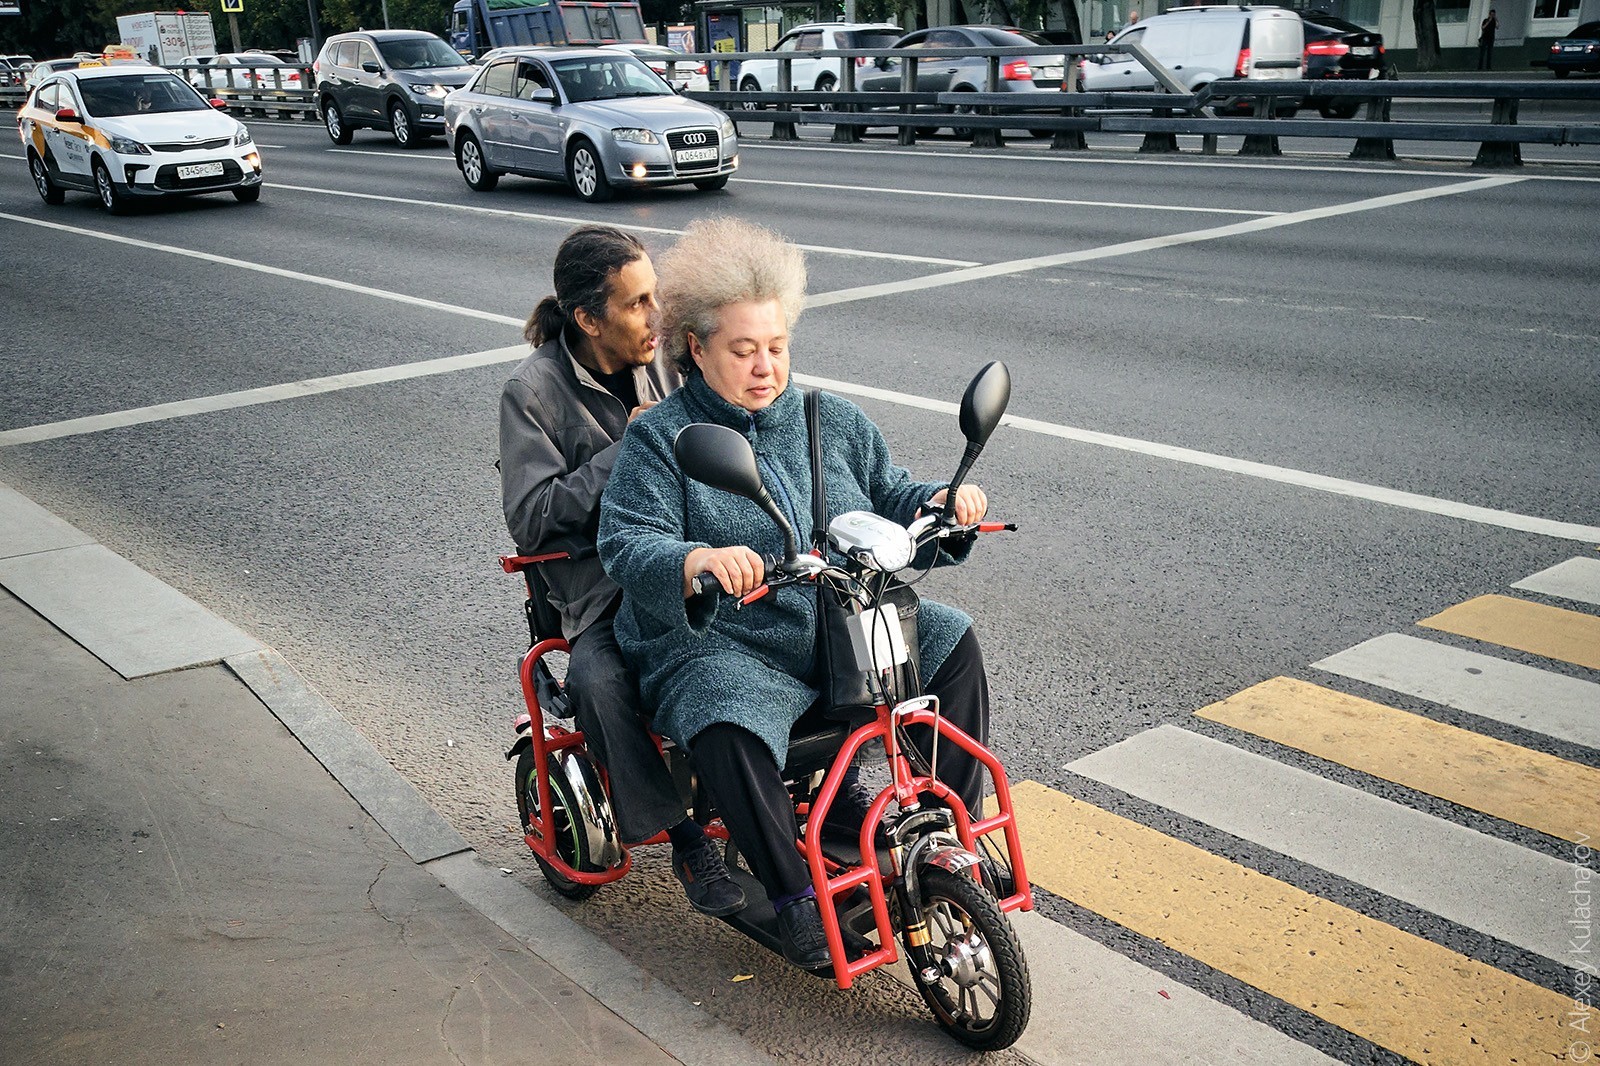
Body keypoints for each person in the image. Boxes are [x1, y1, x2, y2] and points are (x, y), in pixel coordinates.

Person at [597, 217, 994, 970]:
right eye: (743, 351)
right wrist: (697, 559)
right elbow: (626, 542)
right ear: (697, 347)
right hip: (727, 642)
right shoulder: (663, 438)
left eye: (776, 348)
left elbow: (891, 492)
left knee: (952, 638)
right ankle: (791, 897)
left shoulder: (828, 417)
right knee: (722, 710)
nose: (764, 367)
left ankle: (952, 838)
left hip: (837, 631)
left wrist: (943, 502)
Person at [499, 224, 744, 918]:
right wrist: (628, 447)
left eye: (656, 296)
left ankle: (811, 789)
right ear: (587, 318)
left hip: (691, 562)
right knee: (599, 681)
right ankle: (684, 833)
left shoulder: (667, 360)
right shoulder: (532, 393)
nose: (656, 316)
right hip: (602, 590)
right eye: (637, 303)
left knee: (792, 616)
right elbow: (533, 515)